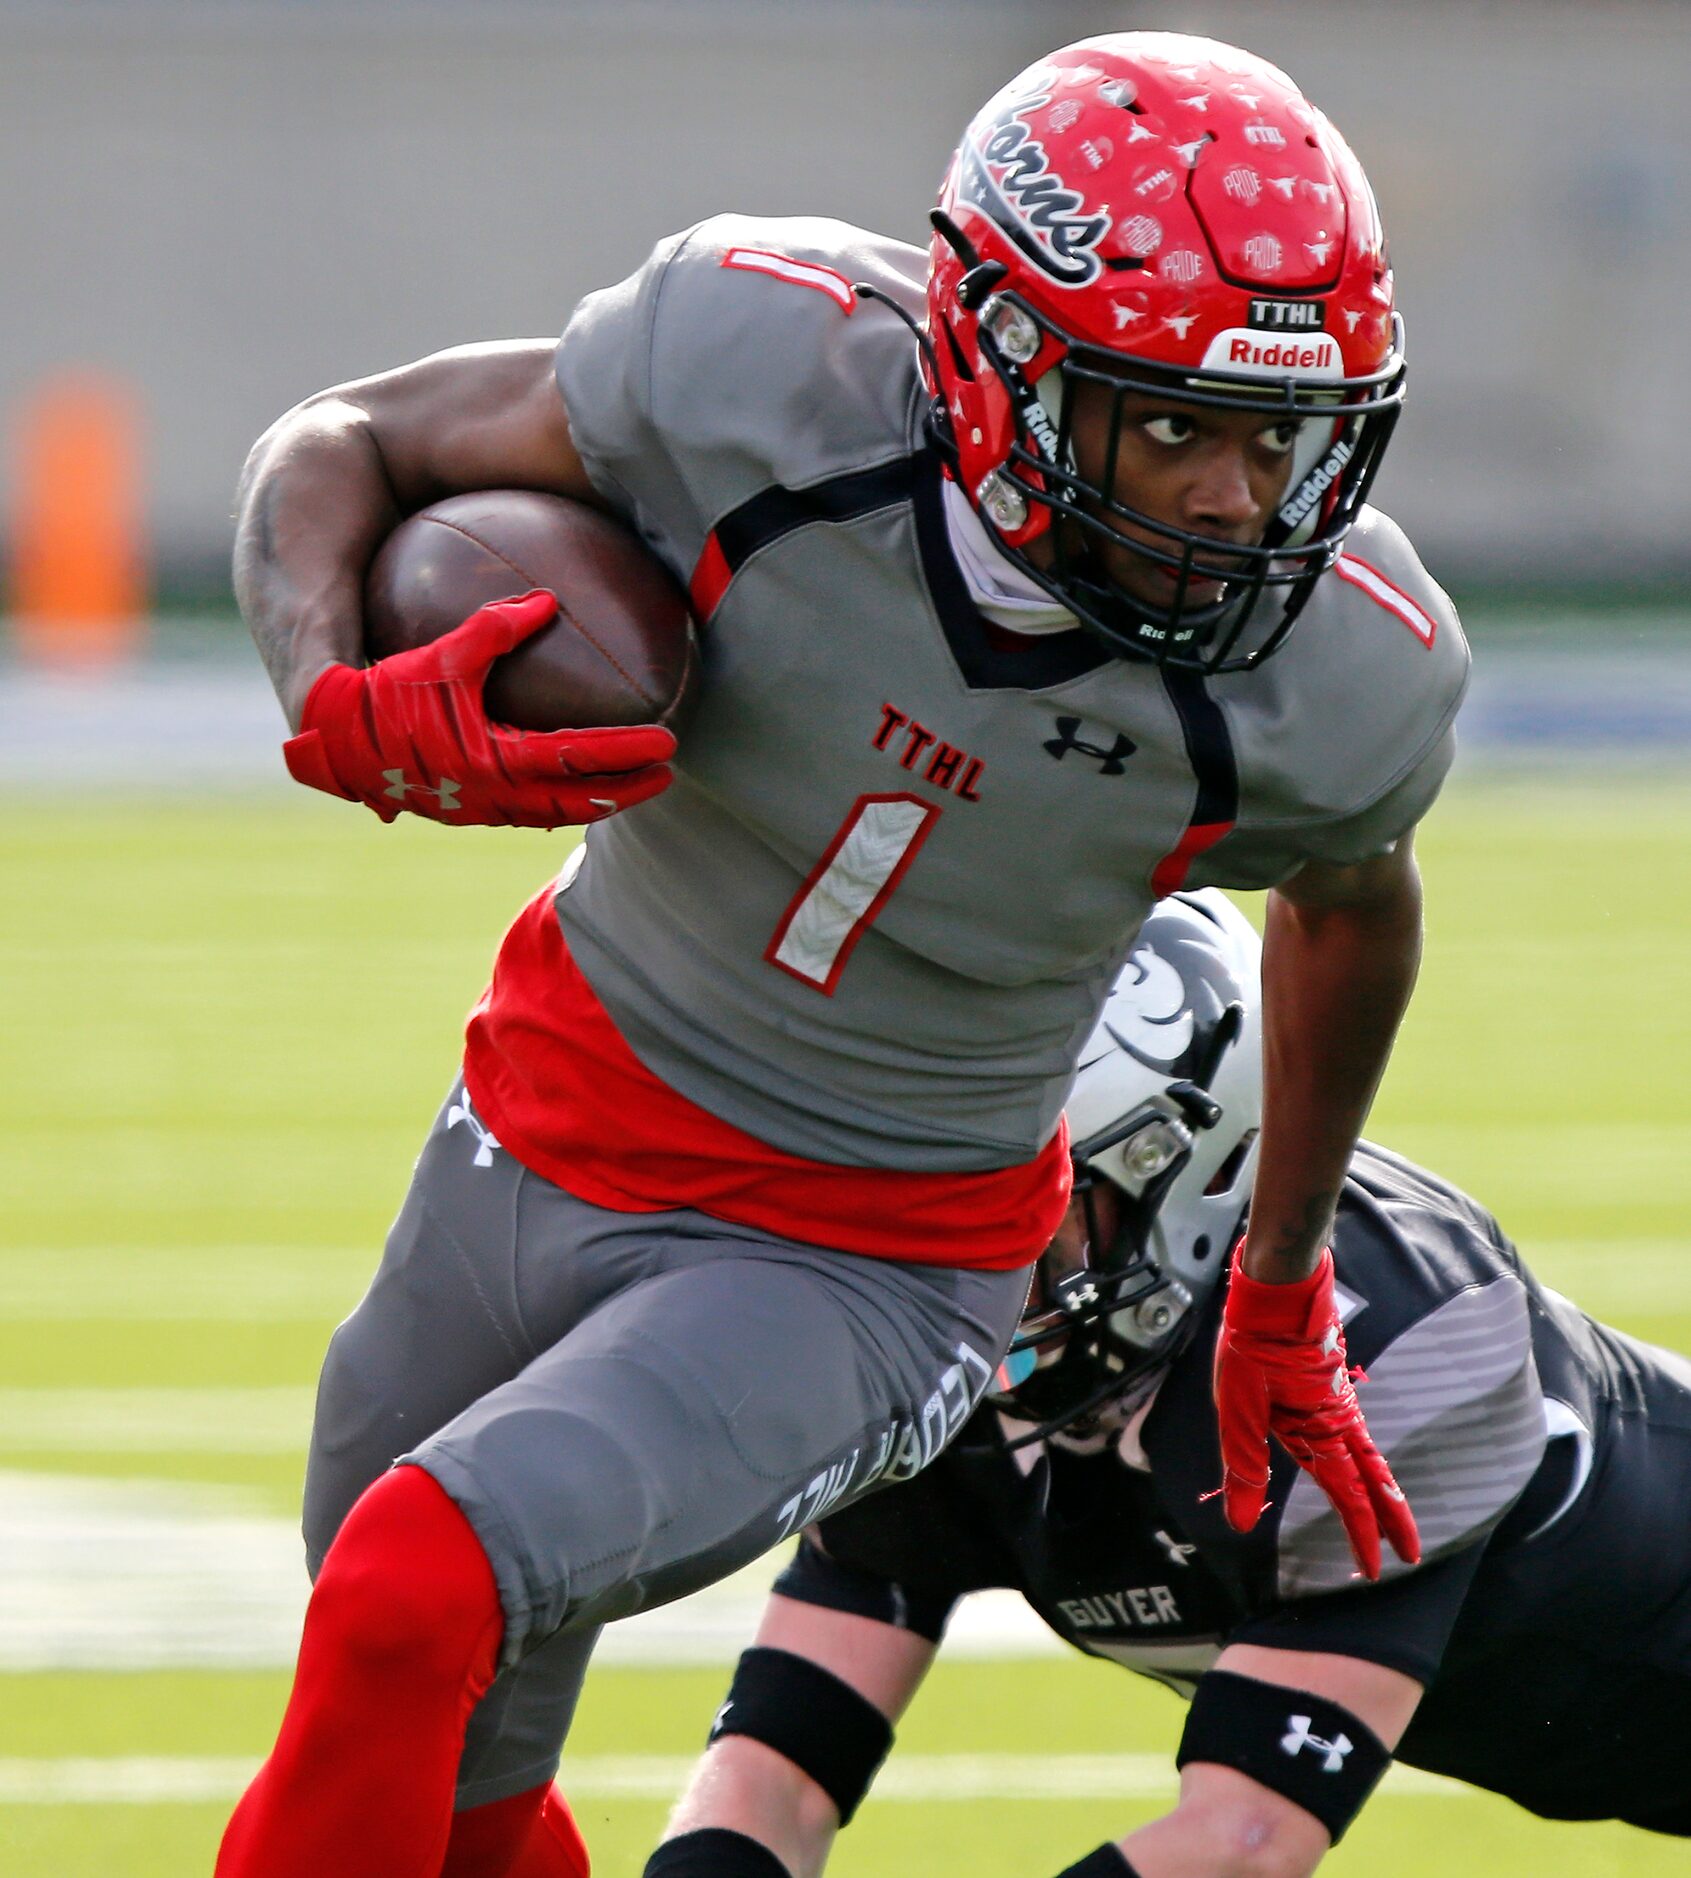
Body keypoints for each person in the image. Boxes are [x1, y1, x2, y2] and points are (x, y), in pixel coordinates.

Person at [218, 31, 1469, 1878]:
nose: (1233, 501)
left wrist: (1276, 1278)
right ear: (996, 363)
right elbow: (349, 439)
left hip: (866, 1253)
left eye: (1277, 436)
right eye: (1178, 423)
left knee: (417, 1586)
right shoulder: (759, 368)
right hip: (538, 1108)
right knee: (442, 1732)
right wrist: (328, 686)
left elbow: (1354, 906)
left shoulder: (1341, 672)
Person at [660, 890, 1691, 1878]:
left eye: (1009, 1201)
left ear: (1186, 1168)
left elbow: (1238, 1845)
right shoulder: (962, 1354)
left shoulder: (1383, 1343)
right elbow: (777, 1768)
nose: (942, 1255)